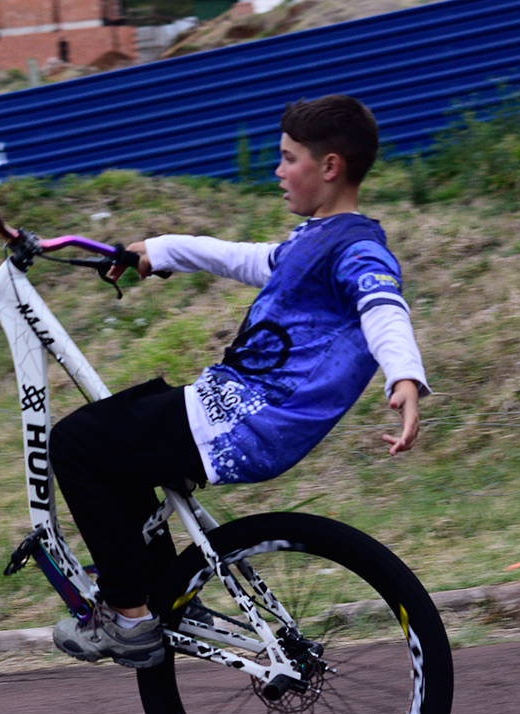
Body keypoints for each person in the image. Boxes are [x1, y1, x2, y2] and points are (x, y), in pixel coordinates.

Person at [49, 95, 430, 670]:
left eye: (289, 158)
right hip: (231, 406)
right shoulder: (317, 240)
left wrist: (404, 375)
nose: (278, 170)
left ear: (329, 167)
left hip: (243, 418)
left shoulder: (357, 249)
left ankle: (128, 617)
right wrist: (159, 249)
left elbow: (383, 306)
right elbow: (243, 259)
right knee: (121, 437)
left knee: (75, 444)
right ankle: (162, 595)